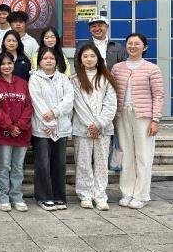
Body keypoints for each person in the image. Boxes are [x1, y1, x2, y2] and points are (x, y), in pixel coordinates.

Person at [112, 33, 164, 209]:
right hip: (122, 115)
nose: (132, 46)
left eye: (137, 43)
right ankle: (127, 192)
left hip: (144, 116)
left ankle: (141, 195)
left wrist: (155, 119)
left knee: (144, 155)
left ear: (145, 47)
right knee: (126, 154)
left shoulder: (152, 68)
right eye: (130, 43)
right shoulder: (117, 68)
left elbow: (158, 95)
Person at [72, 44, 117, 211]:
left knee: (101, 163)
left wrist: (98, 124)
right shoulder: (74, 79)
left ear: (98, 59)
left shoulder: (107, 78)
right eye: (85, 56)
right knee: (83, 162)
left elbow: (111, 105)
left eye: (92, 56)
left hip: (103, 129)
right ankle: (85, 195)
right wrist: (90, 126)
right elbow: (78, 105)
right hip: (82, 128)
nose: (89, 59)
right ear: (80, 60)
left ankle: (100, 195)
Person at [29, 47, 74, 211]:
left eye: (52, 58)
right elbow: (37, 101)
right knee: (43, 163)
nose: (49, 61)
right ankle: (44, 197)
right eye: (45, 58)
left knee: (59, 163)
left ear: (57, 61)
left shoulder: (63, 78)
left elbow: (69, 99)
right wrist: (49, 123)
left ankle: (59, 197)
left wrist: (55, 113)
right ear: (39, 61)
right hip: (42, 129)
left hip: (61, 128)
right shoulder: (34, 78)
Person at [0, 53, 32, 212]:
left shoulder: (23, 83)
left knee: (18, 166)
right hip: (4, 133)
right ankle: (2, 196)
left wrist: (19, 126)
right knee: (4, 166)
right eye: (3, 64)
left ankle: (16, 196)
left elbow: (29, 106)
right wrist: (9, 126)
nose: (6, 66)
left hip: (22, 132)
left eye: (9, 63)